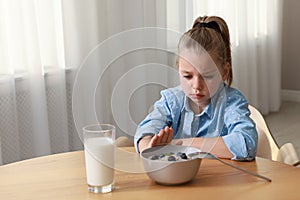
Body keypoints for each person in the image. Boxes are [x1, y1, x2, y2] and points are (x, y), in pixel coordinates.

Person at [134, 16, 258, 160]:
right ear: (178, 69)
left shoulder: (232, 102)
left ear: (224, 72)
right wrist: (148, 144)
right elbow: (143, 136)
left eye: (207, 76)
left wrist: (181, 144)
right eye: (187, 76)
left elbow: (246, 144)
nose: (196, 86)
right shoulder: (171, 101)